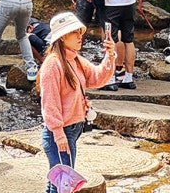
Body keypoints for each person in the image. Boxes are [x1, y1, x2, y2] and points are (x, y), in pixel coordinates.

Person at [39, 11, 117, 193]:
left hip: (71, 130)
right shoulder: (53, 64)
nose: (80, 36)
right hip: (60, 134)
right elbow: (49, 103)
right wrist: (59, 134)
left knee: (59, 184)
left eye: (79, 32)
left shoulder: (75, 59)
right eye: (74, 32)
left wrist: (110, 55)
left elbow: (97, 78)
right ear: (62, 37)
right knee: (64, 186)